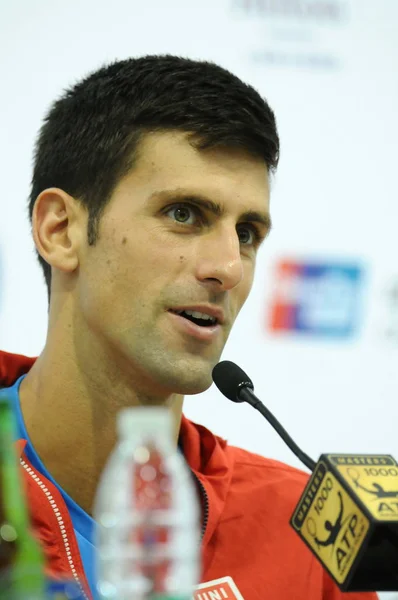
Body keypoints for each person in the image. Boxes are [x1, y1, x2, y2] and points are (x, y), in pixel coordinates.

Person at [0, 55, 377, 600]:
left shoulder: (304, 533)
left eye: (247, 232)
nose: (227, 267)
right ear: (61, 231)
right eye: (184, 214)